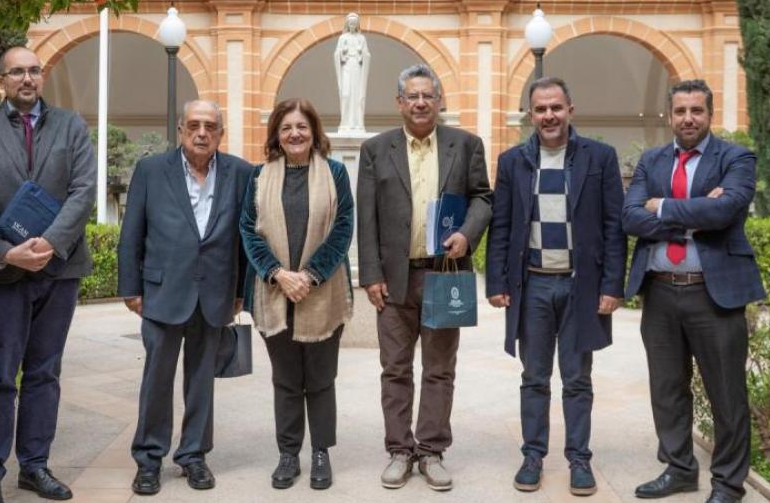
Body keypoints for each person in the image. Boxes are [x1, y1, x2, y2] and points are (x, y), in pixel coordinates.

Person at [0, 46, 97, 503]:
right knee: (0, 373)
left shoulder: (72, 125)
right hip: (4, 272)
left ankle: (34, 467)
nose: (27, 78)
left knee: (44, 372)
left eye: (35, 70)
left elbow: (83, 190)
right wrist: (4, 251)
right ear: (1, 80)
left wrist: (51, 242)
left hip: (59, 269)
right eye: (16, 71)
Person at [622, 79, 764, 503]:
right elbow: (630, 217)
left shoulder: (736, 157)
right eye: (680, 111)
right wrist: (696, 210)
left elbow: (724, 211)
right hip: (661, 291)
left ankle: (728, 484)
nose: (688, 118)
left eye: (696, 111)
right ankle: (680, 468)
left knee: (726, 393)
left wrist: (661, 206)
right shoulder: (651, 161)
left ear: (710, 114)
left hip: (713, 294)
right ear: (670, 115)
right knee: (666, 389)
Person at [484, 77, 626, 496]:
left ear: (570, 110)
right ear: (531, 114)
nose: (549, 115)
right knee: (534, 377)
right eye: (541, 109)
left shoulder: (599, 157)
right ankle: (533, 455)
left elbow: (614, 227)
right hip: (533, 287)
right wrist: (497, 281)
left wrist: (612, 285)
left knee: (578, 378)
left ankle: (580, 459)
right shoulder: (512, 162)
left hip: (581, 287)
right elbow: (503, 226)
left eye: (556, 108)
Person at [356, 64, 493, 491]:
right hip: (394, 281)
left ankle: (431, 451)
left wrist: (467, 235)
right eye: (412, 96)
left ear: (439, 101)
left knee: (439, 369)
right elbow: (367, 216)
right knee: (395, 370)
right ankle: (399, 450)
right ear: (399, 103)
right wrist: (371, 275)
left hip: (444, 275)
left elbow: (483, 198)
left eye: (427, 96)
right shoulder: (376, 149)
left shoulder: (465, 145)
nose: (420, 103)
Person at [118, 100, 253, 495]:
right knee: (156, 379)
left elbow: (246, 238)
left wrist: (241, 292)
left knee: (201, 382)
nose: (201, 133)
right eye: (193, 125)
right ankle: (148, 459)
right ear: (180, 129)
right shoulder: (150, 170)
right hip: (162, 292)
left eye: (210, 126)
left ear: (220, 134)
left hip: (215, 293)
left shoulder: (241, 173)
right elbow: (132, 233)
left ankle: (193, 455)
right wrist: (131, 287)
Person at [239, 98, 354, 490]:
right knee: (286, 380)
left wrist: (310, 275)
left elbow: (343, 228)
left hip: (323, 293)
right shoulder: (259, 176)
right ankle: (289, 454)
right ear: (276, 134)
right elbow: (248, 231)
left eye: (302, 126)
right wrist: (277, 274)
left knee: (321, 378)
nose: (294, 133)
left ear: (314, 131)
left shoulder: (335, 173)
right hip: (274, 294)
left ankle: (321, 452)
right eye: (286, 127)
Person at [333, 12, 370, 134]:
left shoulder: (361, 38)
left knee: (357, 95)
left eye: (354, 23)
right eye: (350, 23)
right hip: (346, 66)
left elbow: (367, 55)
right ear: (347, 24)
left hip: (357, 67)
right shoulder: (343, 38)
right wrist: (342, 52)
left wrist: (362, 53)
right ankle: (345, 123)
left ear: (357, 24)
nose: (352, 25)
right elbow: (337, 54)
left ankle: (358, 124)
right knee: (346, 94)